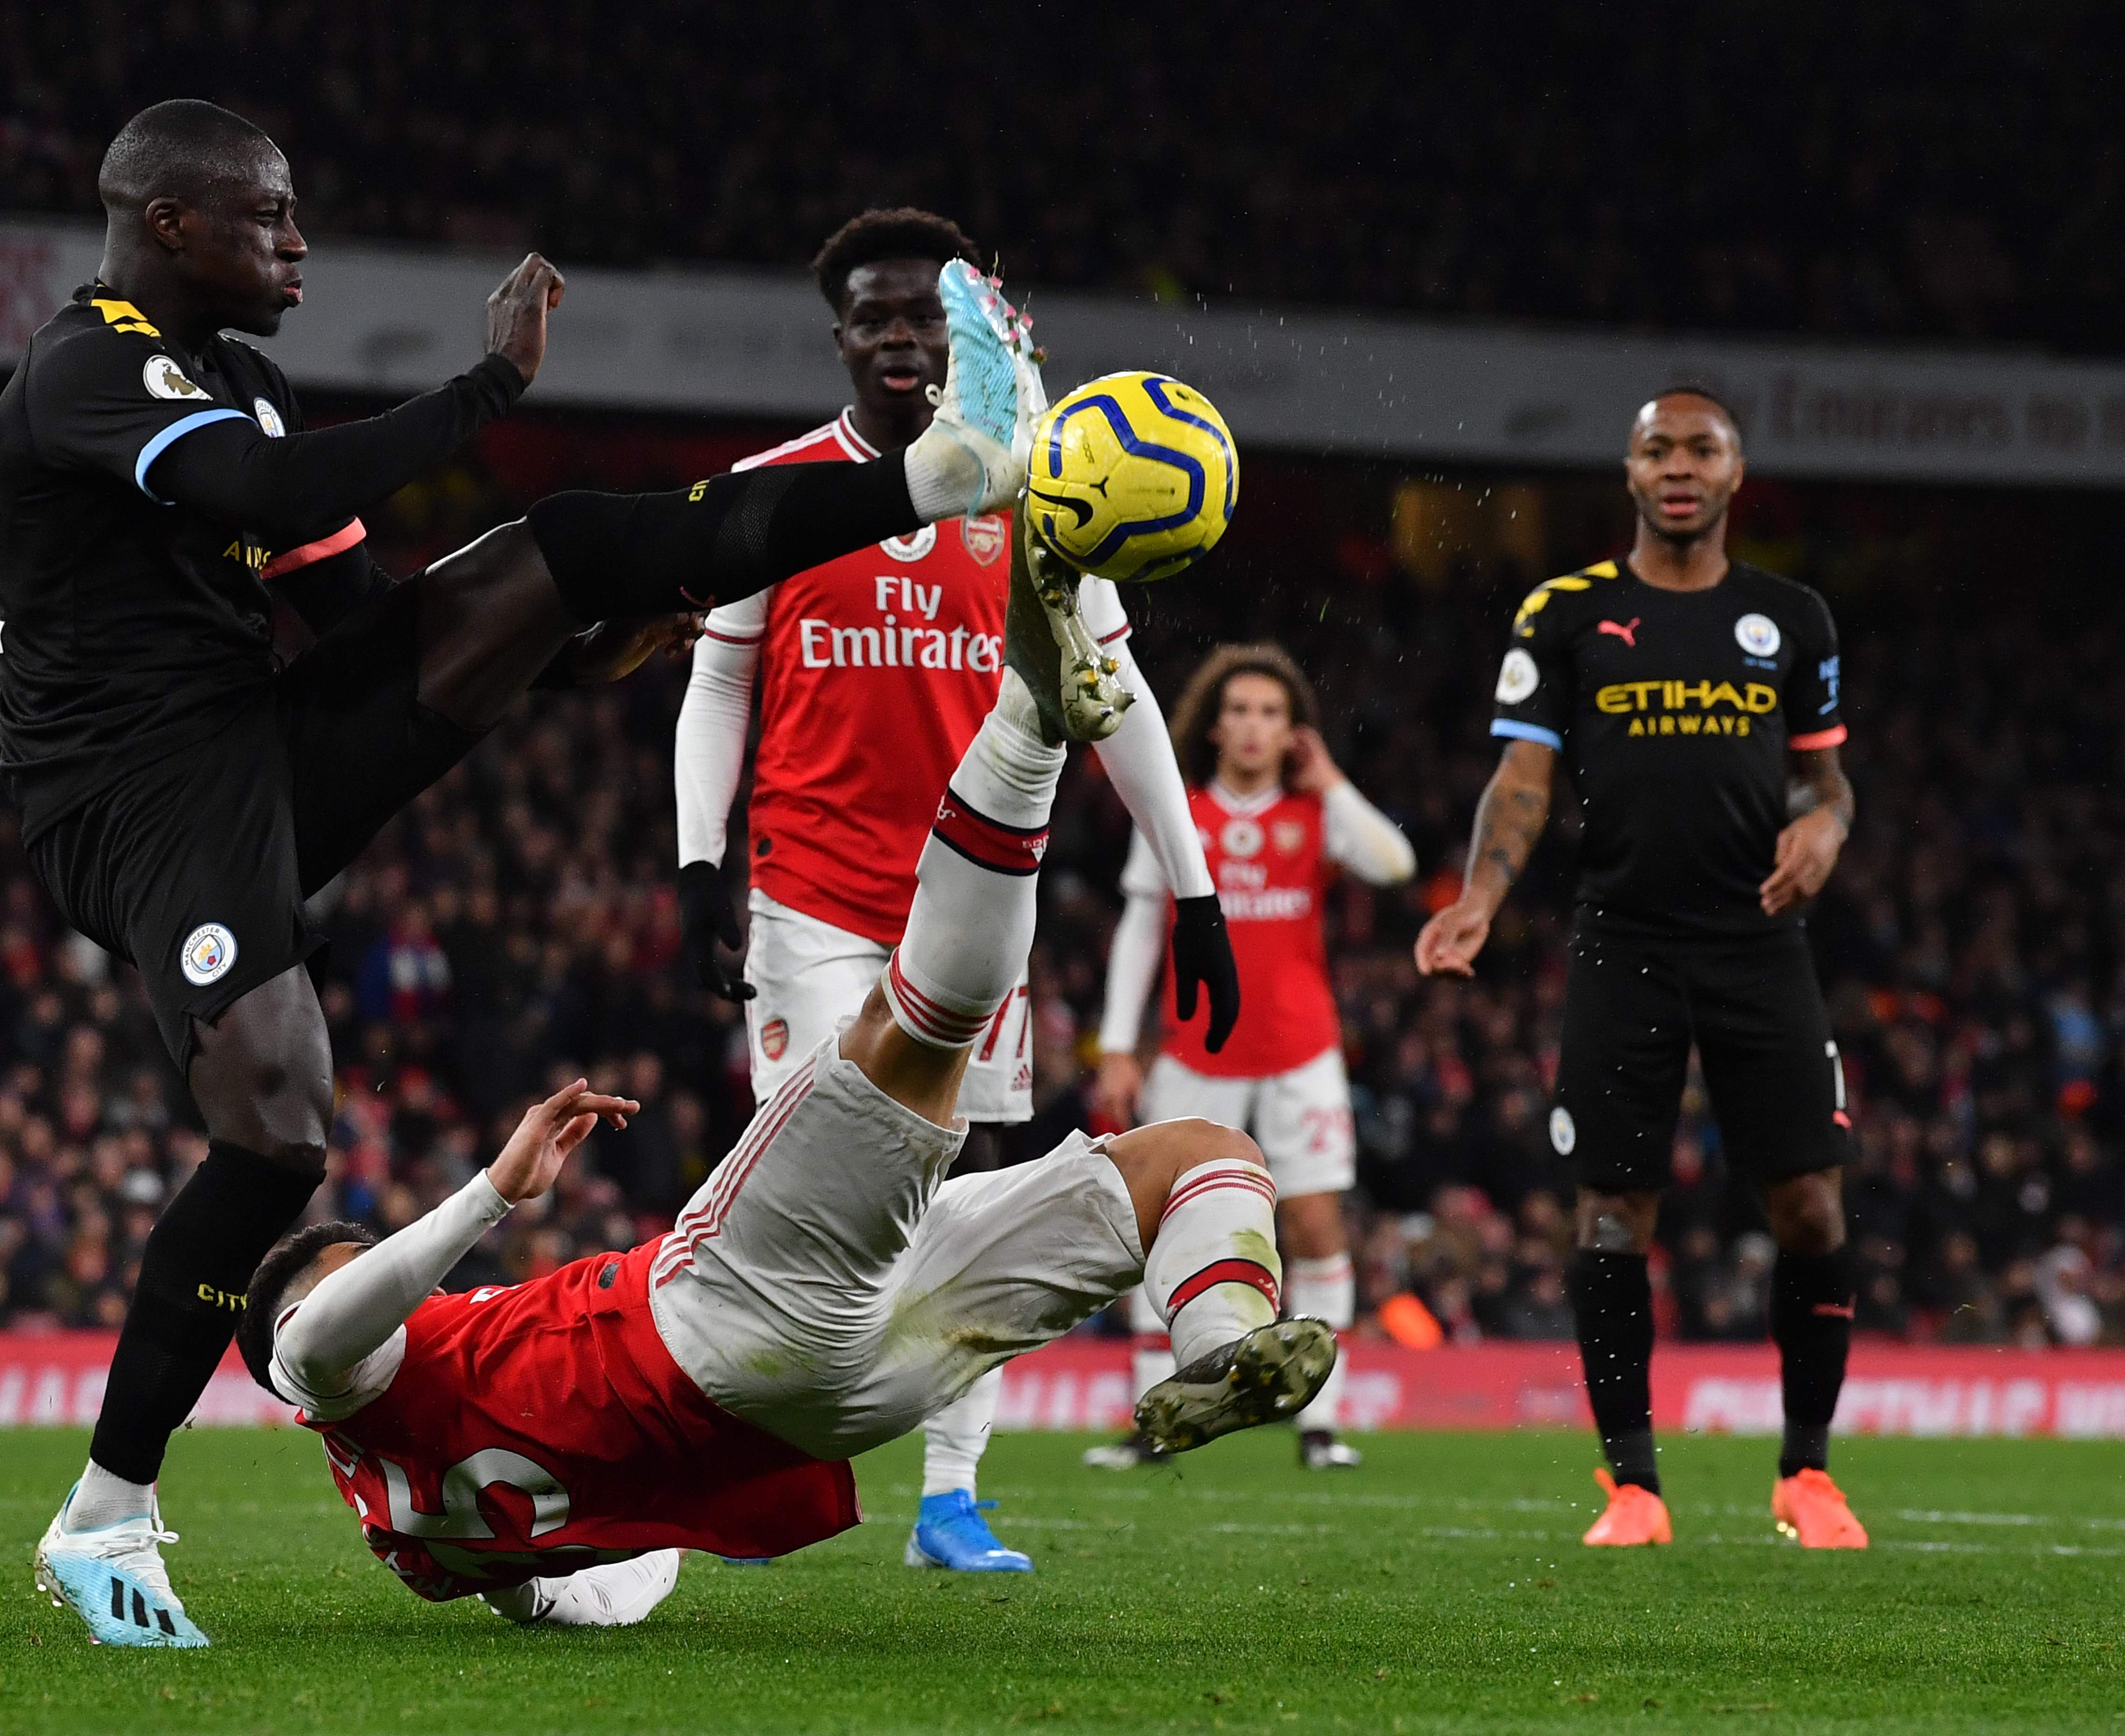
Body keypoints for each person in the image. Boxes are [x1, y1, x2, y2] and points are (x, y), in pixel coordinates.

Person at [10, 101, 1049, 1647]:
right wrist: (491, 381)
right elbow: (275, 502)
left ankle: (940, 476)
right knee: (282, 1131)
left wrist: (570, 645)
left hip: (249, 745)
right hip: (134, 791)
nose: (297, 242)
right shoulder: (91, 363)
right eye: (269, 217)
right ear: (171, 223)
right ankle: (103, 1516)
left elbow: (359, 602)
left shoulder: (234, 379)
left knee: (559, 544)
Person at [232, 545, 1335, 1628]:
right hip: (713, 1308)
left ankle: (1218, 1343)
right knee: (912, 1028)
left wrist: (640, 1528)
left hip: (821, 1409)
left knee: (1196, 1158)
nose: (388, 1281)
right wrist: (492, 1192)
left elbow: (582, 1595)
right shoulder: (329, 1368)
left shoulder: (414, 1536)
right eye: (355, 1264)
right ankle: (1030, 714)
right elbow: (319, 1332)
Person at [672, 208, 1236, 1573]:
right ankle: (738, 1458)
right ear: (843, 337)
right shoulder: (780, 485)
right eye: (875, 319)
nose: (903, 341)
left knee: (951, 1186)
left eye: (925, 318)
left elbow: (1118, 693)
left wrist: (1195, 884)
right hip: (808, 901)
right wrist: (698, 865)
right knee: (814, 1187)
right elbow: (719, 682)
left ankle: (949, 1497)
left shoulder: (1043, 491)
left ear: (958, 331)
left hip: (974, 908)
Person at [1413, 388, 1866, 1549]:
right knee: (1614, 1214)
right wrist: (1478, 898)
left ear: (1734, 471)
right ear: (1628, 470)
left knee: (1810, 1205)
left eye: (1700, 449)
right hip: (1624, 942)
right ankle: (1635, 1489)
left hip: (1759, 943)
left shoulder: (1792, 617)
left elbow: (1823, 780)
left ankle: (1805, 1474)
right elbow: (1522, 779)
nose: (1679, 466)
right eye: (1659, 447)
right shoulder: (1567, 613)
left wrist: (1826, 827)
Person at [1086, 644, 1415, 1472]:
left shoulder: (1314, 814)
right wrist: (1120, 1046)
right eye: (1239, 710)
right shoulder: (1178, 810)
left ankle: (1320, 1424)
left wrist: (1331, 778)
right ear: (1214, 723)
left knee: (1313, 1224)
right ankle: (1153, 1422)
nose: (1253, 727)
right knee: (1154, 1227)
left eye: (1272, 712)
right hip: (1195, 1053)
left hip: (1300, 1052)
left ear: (1293, 730)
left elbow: (1395, 864)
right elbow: (1137, 925)